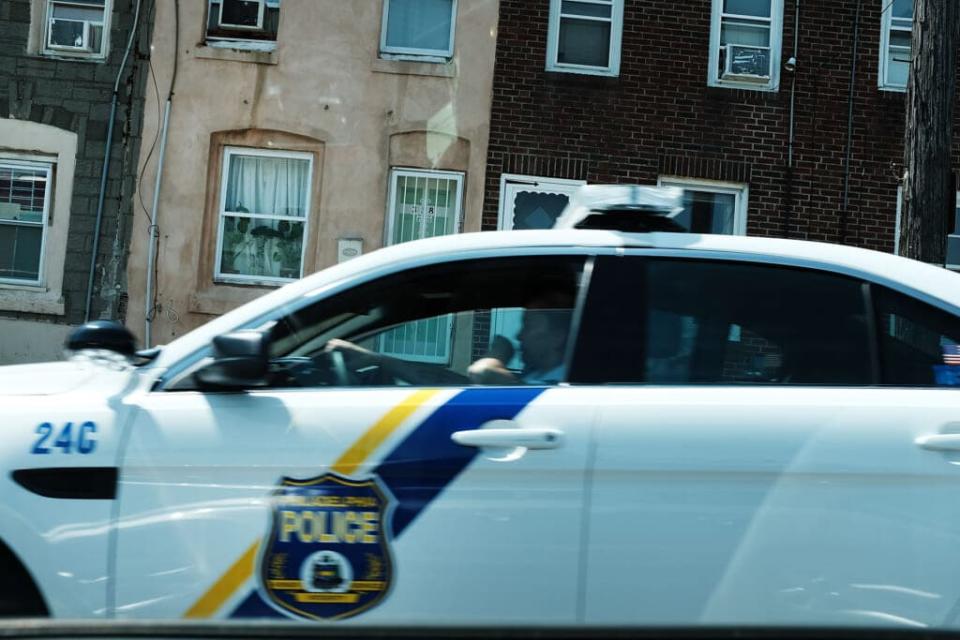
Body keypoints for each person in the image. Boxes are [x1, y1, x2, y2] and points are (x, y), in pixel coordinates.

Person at [323, 290, 574, 386]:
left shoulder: (555, 388)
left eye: (529, 326)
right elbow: (450, 382)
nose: (520, 335)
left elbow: (482, 375)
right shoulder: (535, 377)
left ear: (557, 337)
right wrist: (375, 358)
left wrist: (500, 350)